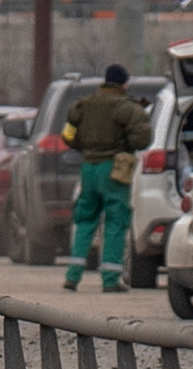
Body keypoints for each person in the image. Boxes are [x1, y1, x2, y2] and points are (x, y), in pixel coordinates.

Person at [54, 63, 147, 291]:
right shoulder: (128, 107)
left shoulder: (84, 104)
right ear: (124, 83)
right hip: (114, 168)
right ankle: (110, 279)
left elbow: (67, 134)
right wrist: (124, 145)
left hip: (88, 167)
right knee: (115, 221)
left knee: (85, 219)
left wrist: (83, 146)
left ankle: (73, 276)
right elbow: (142, 139)